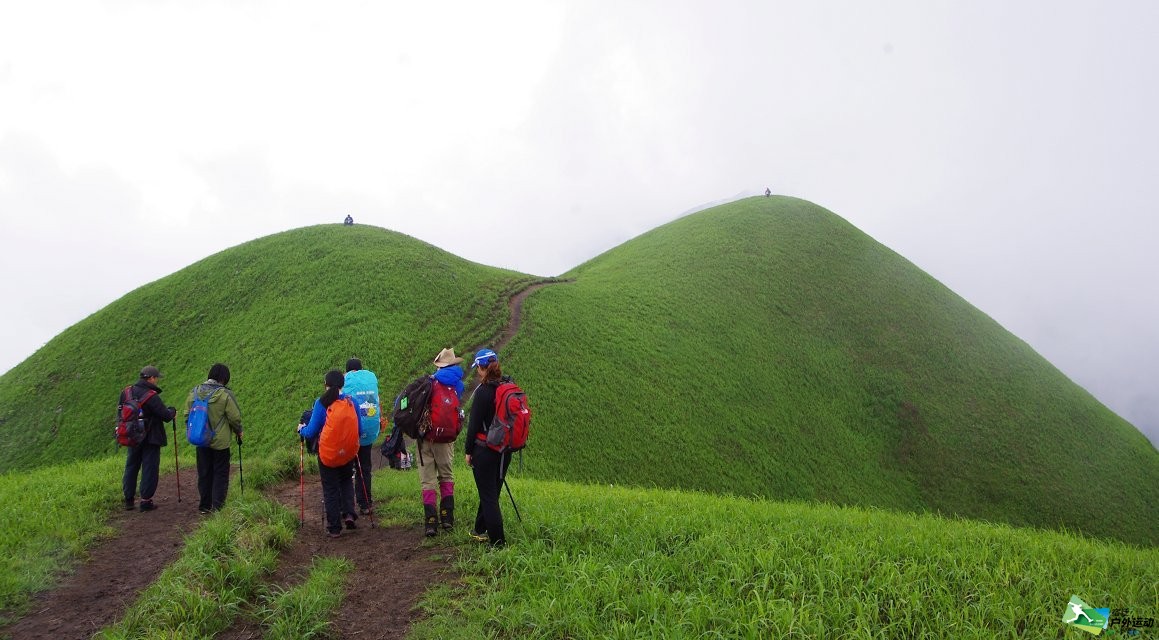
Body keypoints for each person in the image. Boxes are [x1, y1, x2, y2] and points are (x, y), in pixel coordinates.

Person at [298, 370, 359, 538]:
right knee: (346, 481)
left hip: (328, 454)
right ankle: (348, 514)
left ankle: (334, 527)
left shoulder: (322, 403)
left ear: (326, 385)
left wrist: (301, 429)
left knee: (330, 488)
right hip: (348, 452)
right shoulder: (351, 401)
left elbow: (310, 432)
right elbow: (359, 429)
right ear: (342, 384)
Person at [464, 348, 512, 547]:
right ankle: (479, 529)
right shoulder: (507, 387)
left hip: (485, 451)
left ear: (483, 368)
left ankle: (498, 543)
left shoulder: (483, 392)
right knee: (492, 491)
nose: (477, 372)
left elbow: (473, 425)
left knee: (489, 496)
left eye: (478, 368)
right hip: (505, 450)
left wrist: (468, 451)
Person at [185, 363, 244, 514]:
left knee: (204, 472)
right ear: (224, 378)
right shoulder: (225, 395)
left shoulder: (195, 392)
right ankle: (218, 507)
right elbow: (235, 417)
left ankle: (204, 506)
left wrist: (195, 429)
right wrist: (239, 431)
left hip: (201, 440)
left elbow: (187, 415)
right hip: (220, 442)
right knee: (220, 473)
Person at [420, 347, 465, 536]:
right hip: (447, 439)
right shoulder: (458, 385)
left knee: (427, 480)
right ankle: (447, 518)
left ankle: (431, 522)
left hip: (427, 437)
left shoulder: (429, 383)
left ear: (439, 366)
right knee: (446, 476)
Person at [122, 365, 177, 512]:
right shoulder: (151, 396)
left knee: (131, 466)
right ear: (151, 378)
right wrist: (172, 411)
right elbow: (165, 415)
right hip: (150, 436)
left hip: (132, 435)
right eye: (156, 378)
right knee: (149, 467)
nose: (157, 381)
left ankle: (129, 499)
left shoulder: (127, 392)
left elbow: (121, 412)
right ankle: (146, 502)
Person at [343, 357, 382, 515]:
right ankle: (366, 503)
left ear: (348, 371)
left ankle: (347, 507)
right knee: (364, 468)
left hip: (351, 432)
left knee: (346, 470)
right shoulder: (369, 380)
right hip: (369, 430)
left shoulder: (347, 381)